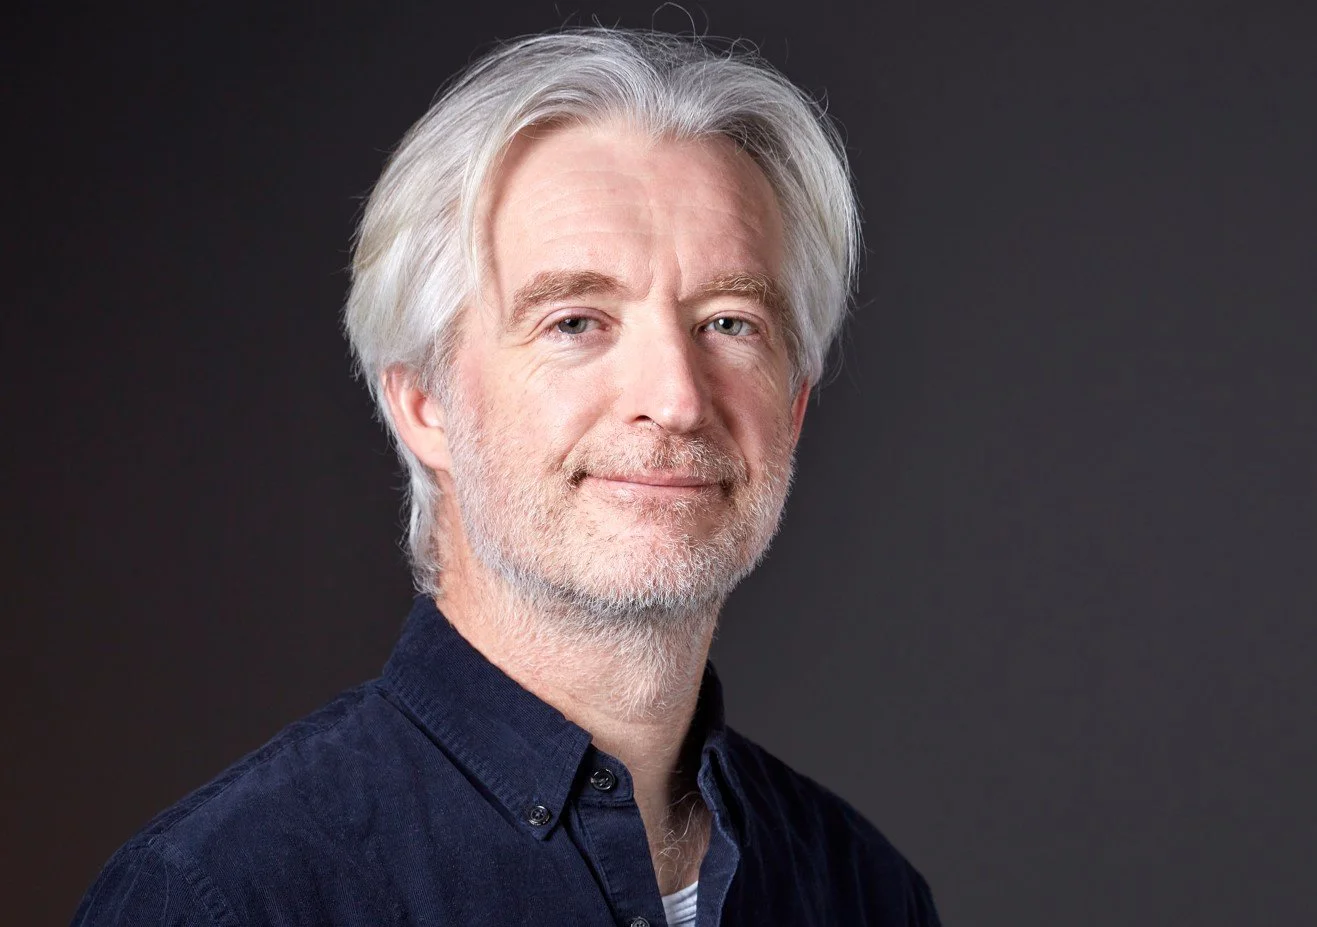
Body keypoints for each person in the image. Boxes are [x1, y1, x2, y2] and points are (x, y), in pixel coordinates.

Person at [74, 28, 940, 927]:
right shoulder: (225, 897)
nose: (675, 399)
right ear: (423, 405)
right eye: (575, 321)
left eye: (727, 323)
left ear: (793, 407)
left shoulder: (864, 891)